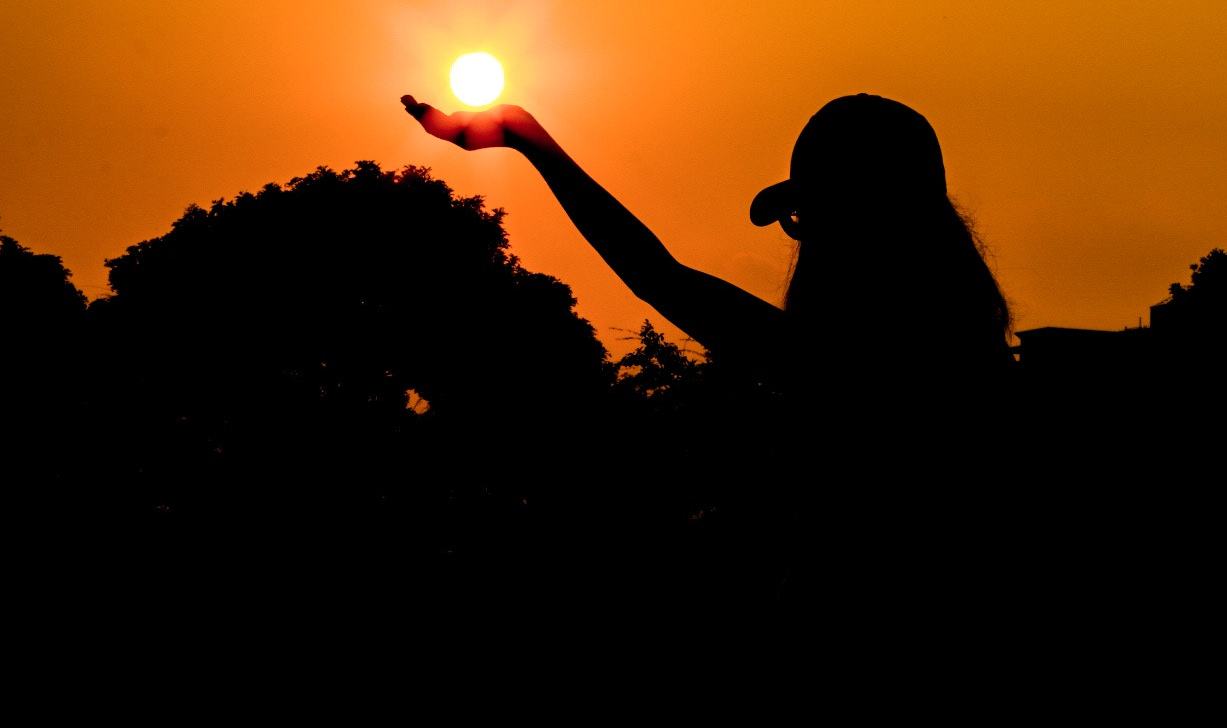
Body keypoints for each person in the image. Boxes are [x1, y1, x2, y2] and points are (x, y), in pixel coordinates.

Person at [400, 91, 1015, 626]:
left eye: (809, 218)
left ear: (868, 223)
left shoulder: (851, 372)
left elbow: (657, 276)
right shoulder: (975, 375)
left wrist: (531, 140)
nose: (804, 243)